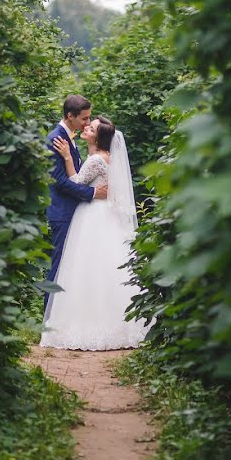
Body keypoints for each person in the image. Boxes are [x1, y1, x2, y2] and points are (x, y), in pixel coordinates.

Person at [40, 114, 150, 350]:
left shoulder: (95, 160)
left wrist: (68, 157)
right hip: (106, 216)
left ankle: (87, 323)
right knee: (105, 267)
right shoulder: (107, 157)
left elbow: (77, 181)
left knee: (86, 267)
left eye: (92, 127)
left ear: (98, 136)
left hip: (93, 216)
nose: (88, 126)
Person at [43, 95, 108, 310]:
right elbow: (60, 182)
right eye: (84, 119)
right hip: (62, 213)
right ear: (70, 116)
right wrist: (91, 193)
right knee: (59, 266)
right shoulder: (56, 138)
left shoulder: (69, 137)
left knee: (70, 267)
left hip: (75, 212)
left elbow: (77, 174)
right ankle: (48, 317)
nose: (87, 123)